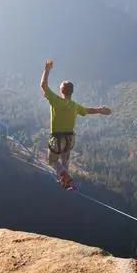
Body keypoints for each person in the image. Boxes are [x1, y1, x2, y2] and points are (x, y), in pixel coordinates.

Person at [40, 58, 112, 190]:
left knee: (52, 161)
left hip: (57, 138)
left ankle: (64, 177)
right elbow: (88, 110)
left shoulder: (56, 101)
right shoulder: (75, 106)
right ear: (71, 92)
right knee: (65, 161)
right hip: (70, 139)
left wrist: (47, 69)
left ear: (61, 91)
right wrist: (101, 110)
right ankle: (66, 182)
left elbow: (43, 86)